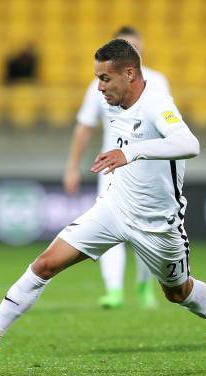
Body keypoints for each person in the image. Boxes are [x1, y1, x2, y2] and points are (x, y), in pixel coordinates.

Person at [0, 39, 206, 363]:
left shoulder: (155, 103)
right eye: (97, 78)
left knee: (177, 292)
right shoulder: (113, 103)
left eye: (105, 79)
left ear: (130, 73)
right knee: (45, 264)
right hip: (115, 207)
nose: (99, 87)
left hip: (157, 223)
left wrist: (130, 152)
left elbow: (189, 143)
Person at [64, 26, 170, 309]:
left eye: (135, 45)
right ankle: (114, 290)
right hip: (112, 169)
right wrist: (72, 167)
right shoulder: (98, 84)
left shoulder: (157, 82)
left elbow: (168, 128)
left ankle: (144, 284)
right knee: (109, 226)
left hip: (148, 168)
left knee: (145, 232)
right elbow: (84, 127)